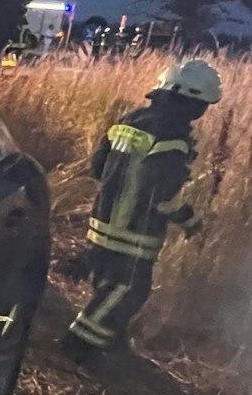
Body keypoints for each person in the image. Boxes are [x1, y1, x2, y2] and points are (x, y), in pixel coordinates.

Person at [61, 58, 222, 363]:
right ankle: (79, 342)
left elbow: (98, 168)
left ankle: (111, 339)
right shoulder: (173, 140)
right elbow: (162, 195)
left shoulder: (128, 122)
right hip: (134, 232)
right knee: (129, 290)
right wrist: (190, 221)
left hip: (102, 220)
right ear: (192, 103)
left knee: (107, 283)